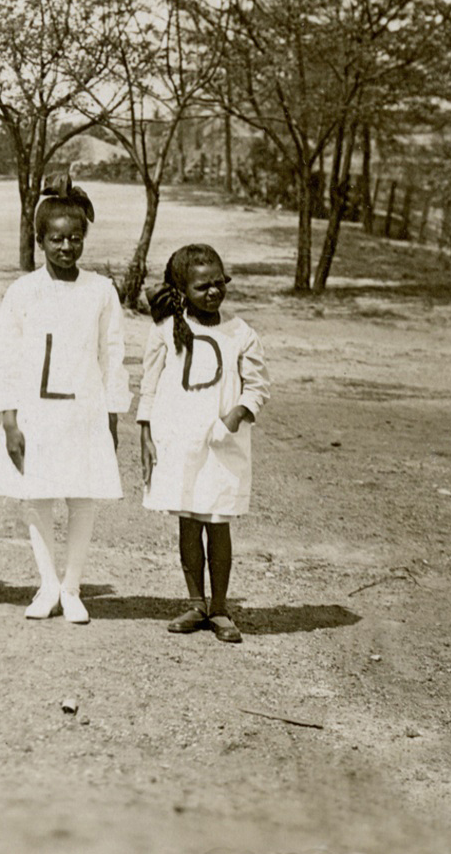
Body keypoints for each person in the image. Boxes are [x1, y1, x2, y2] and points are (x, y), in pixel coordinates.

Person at [0, 182, 130, 625]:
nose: (67, 247)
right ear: (40, 240)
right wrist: (9, 421)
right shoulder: (23, 291)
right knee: (38, 495)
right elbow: (4, 358)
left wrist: (112, 415)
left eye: (75, 238)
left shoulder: (101, 290)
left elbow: (112, 354)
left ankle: (72, 587)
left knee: (81, 495)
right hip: (35, 414)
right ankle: (47, 584)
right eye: (56, 239)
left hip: (83, 412)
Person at [138, 244, 270, 644]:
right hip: (179, 442)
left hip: (222, 445)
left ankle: (220, 607)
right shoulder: (165, 331)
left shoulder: (240, 333)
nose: (213, 292)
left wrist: (234, 416)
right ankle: (195, 602)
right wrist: (145, 432)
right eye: (201, 287)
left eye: (218, 283)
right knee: (189, 521)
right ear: (181, 291)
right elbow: (149, 383)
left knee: (218, 521)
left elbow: (258, 387)